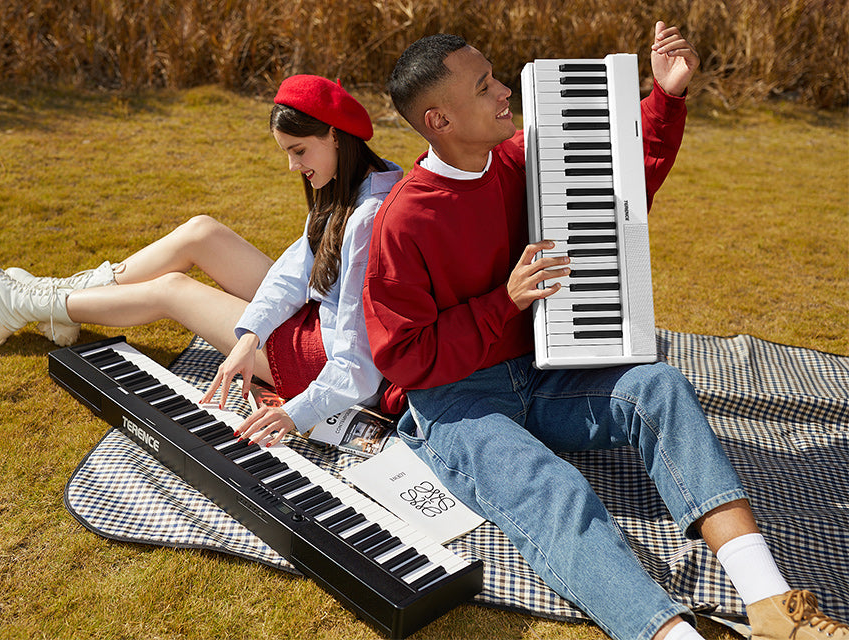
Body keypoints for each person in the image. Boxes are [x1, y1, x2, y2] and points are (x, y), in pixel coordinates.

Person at [362, 21, 847, 640]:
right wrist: (503, 303)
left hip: (545, 369)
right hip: (458, 400)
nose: (505, 91)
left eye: (495, 77)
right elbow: (405, 358)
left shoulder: (519, 158)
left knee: (658, 386)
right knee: (555, 490)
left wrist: (666, 96)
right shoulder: (403, 221)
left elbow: (617, 171)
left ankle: (773, 607)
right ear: (440, 120)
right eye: (484, 86)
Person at [0, 74, 403, 446]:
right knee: (201, 232)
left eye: (298, 151)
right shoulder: (358, 179)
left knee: (173, 291)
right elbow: (294, 271)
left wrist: (295, 410)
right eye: (287, 152)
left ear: (335, 135)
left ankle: (28, 304)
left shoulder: (365, 218)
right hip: (314, 316)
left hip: (319, 360)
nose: (292, 167)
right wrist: (250, 335)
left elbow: (357, 360)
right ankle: (56, 294)